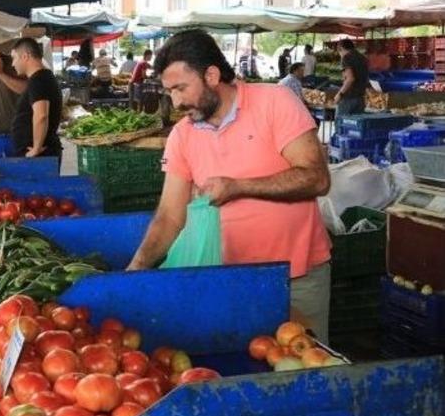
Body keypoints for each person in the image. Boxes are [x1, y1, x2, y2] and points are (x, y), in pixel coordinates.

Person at [126, 30, 332, 342]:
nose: (176, 101)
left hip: (297, 277)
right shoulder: (182, 135)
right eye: (170, 91)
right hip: (226, 280)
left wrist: (239, 187)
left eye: (181, 88)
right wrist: (137, 268)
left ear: (211, 75)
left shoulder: (275, 101)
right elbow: (170, 216)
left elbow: (316, 177)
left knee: (308, 367)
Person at [9, 38, 63, 159]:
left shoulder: (39, 80)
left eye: (14, 58)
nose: (13, 64)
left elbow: (41, 115)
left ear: (25, 56)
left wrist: (36, 148)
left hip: (39, 155)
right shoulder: (42, 78)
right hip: (39, 152)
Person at [334, 39, 370, 117]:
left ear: (341, 48)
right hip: (360, 98)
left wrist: (340, 94)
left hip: (348, 98)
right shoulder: (363, 58)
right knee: (355, 127)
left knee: (341, 124)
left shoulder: (346, 58)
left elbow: (350, 79)